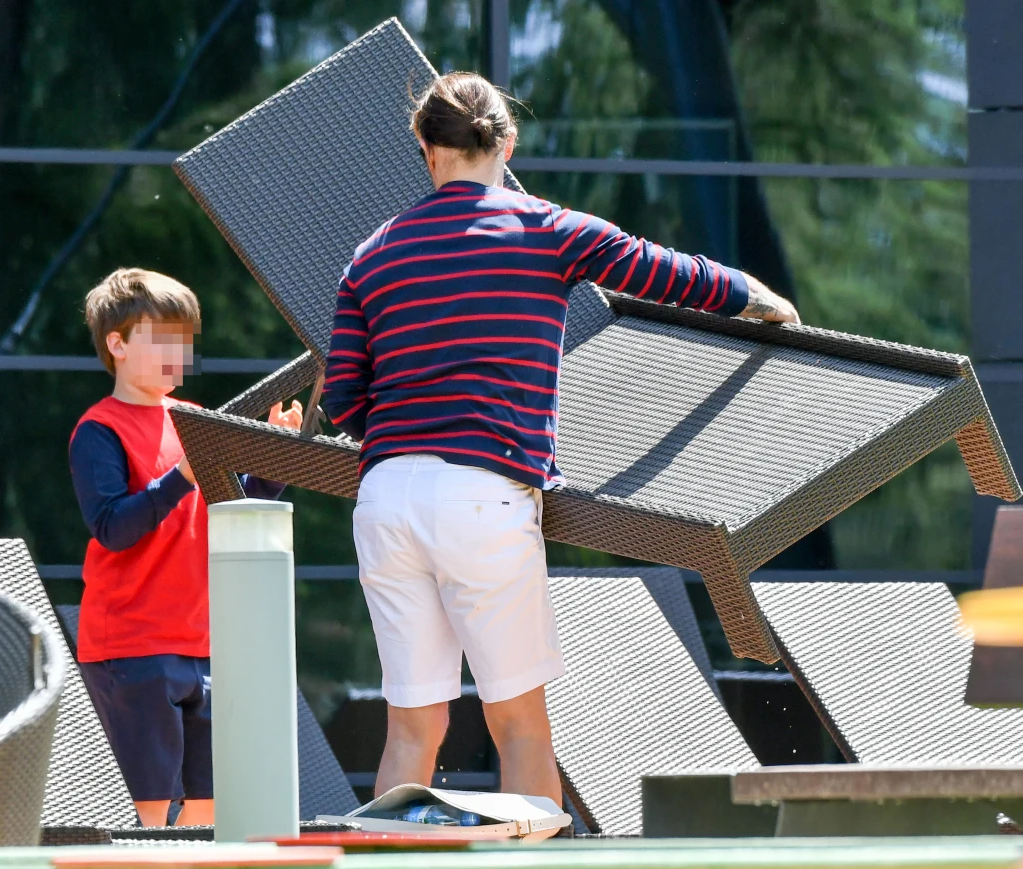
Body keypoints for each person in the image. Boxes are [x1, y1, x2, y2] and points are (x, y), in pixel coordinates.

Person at [323, 73, 799, 805]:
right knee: (519, 727)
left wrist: (408, 430)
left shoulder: (371, 253)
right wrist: (759, 297)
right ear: (507, 143)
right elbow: (664, 272)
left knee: (411, 730)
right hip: (484, 494)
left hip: (386, 498)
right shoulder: (549, 228)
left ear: (425, 145)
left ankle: (392, 854)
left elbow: (343, 399)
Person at [69, 268, 302, 827]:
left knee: (209, 811)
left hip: (203, 643)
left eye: (183, 340)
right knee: (147, 810)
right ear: (118, 344)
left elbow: (232, 502)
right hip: (131, 648)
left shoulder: (194, 420)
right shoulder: (98, 429)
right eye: (162, 339)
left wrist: (275, 462)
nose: (178, 353)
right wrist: (180, 477)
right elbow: (111, 526)